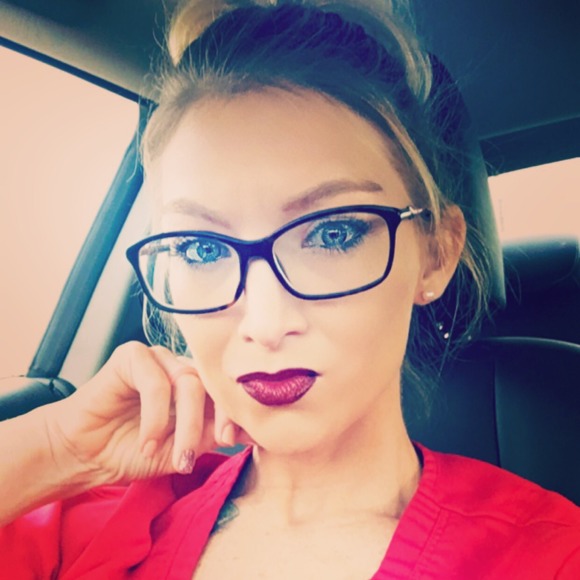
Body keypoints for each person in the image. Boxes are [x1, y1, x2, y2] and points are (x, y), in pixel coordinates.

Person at [1, 0, 579, 577]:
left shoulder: (548, 556)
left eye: (332, 234)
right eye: (202, 249)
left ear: (436, 253)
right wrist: (55, 449)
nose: (265, 324)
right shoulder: (96, 518)